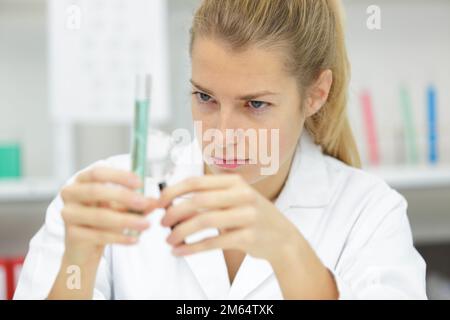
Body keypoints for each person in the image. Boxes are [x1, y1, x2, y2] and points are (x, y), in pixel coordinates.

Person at [14, 0, 427, 299]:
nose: (223, 134)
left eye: (256, 104)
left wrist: (289, 253)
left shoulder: (369, 214)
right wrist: (79, 260)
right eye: (205, 97)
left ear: (316, 93)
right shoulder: (105, 200)